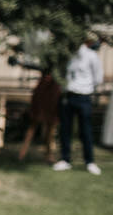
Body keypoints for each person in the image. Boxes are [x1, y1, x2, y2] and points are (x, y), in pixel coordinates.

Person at [54, 32, 103, 175]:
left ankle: (90, 161)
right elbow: (62, 74)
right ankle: (65, 159)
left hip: (84, 97)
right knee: (65, 130)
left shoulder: (91, 56)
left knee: (86, 130)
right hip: (68, 96)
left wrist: (86, 89)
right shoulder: (67, 55)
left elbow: (97, 78)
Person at [17, 69, 61, 162]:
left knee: (49, 129)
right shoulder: (47, 83)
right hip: (45, 98)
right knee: (37, 127)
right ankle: (23, 154)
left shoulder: (52, 84)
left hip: (50, 97)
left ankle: (48, 154)